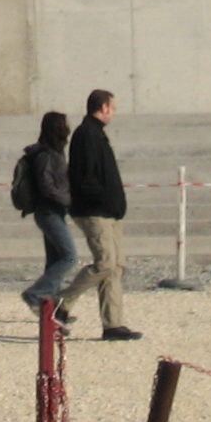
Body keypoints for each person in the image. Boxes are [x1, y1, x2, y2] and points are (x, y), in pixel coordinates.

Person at [58, 88, 139, 340]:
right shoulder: (86, 135)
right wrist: (103, 200)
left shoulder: (97, 135)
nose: (114, 113)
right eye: (112, 108)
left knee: (116, 266)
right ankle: (61, 305)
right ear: (103, 108)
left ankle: (113, 324)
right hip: (94, 211)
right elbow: (84, 178)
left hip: (109, 213)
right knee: (104, 263)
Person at [18, 110, 77, 318]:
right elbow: (47, 187)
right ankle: (36, 293)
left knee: (55, 261)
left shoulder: (55, 152)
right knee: (69, 257)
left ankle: (49, 307)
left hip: (55, 211)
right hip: (48, 211)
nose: (67, 130)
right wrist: (69, 200)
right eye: (63, 125)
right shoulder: (45, 155)